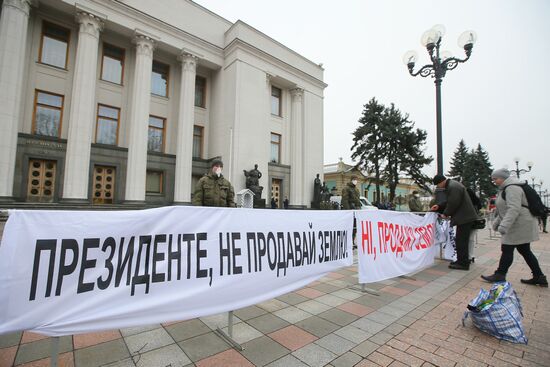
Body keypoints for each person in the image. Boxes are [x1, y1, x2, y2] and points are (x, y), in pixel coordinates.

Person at [481, 168, 547, 286]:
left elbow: (513, 209)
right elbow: (504, 209)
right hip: (517, 223)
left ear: (503, 178)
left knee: (507, 249)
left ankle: (500, 274)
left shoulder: (512, 188)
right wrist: (497, 222)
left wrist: (504, 226)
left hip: (519, 224)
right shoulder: (506, 188)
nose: (494, 181)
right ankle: (539, 276)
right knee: (525, 250)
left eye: (495, 179)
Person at [431, 174, 478, 270]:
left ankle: (463, 263)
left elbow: (453, 202)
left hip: (464, 217)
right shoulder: (453, 185)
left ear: (441, 182)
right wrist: (439, 206)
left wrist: (445, 213)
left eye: (437, 185)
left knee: (461, 241)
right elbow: (450, 201)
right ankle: (461, 260)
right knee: (460, 240)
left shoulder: (453, 187)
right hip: (464, 217)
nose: (438, 187)